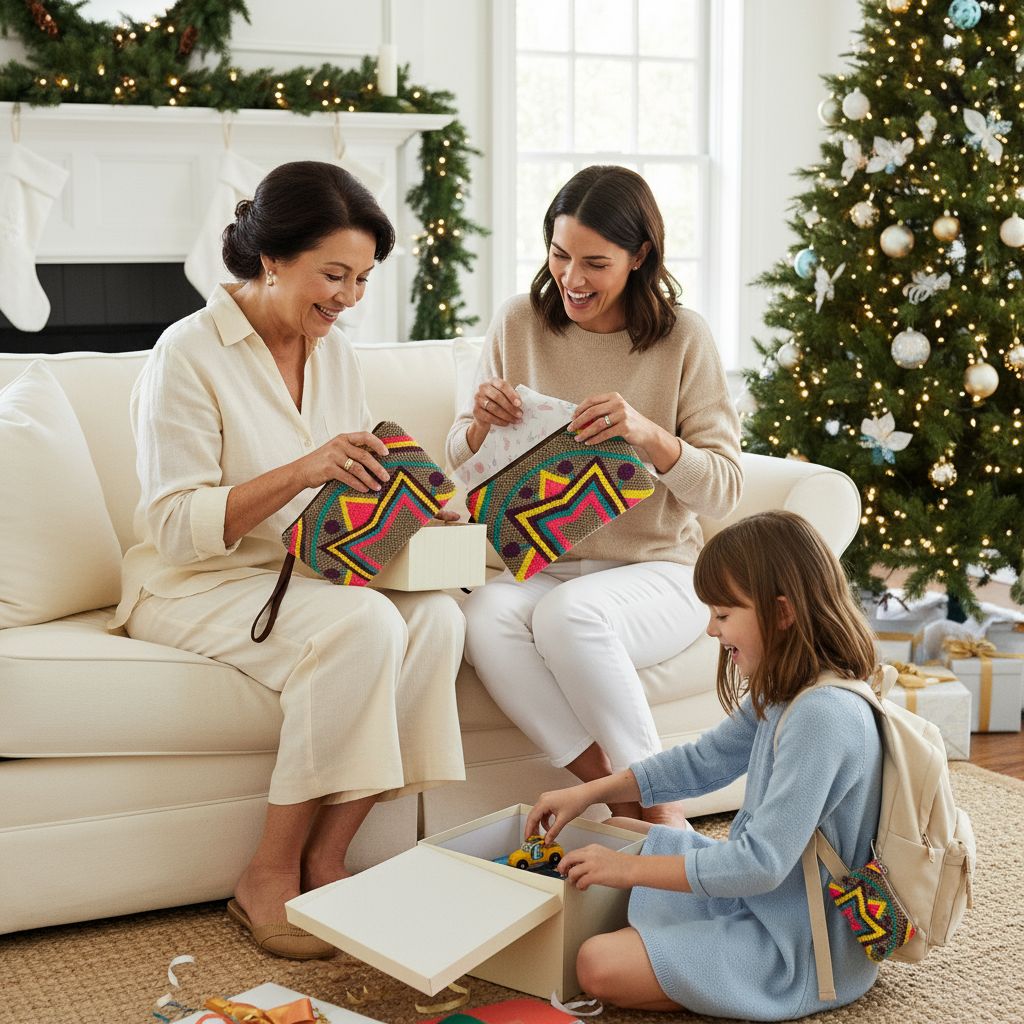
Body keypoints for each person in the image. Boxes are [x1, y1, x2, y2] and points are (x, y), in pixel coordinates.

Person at [110, 161, 466, 960]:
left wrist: (416, 497)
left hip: (307, 573)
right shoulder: (187, 354)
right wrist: (303, 471)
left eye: (363, 279)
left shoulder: (333, 352)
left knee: (440, 618)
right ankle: (266, 873)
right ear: (273, 259)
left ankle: (328, 853)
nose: (348, 298)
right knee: (364, 628)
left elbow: (347, 483)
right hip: (193, 582)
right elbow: (171, 524)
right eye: (333, 275)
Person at [445, 165, 742, 825]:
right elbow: (460, 469)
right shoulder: (520, 321)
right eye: (558, 256)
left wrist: (647, 434)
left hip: (659, 573)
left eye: (595, 263)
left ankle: (658, 815)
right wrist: (476, 427)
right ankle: (625, 796)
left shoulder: (683, 337)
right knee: (484, 617)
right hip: (541, 564)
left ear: (639, 258)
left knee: (567, 617)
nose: (571, 280)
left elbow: (723, 489)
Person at [524, 511, 884, 1019]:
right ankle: (674, 941)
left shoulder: (823, 715)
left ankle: (684, 955)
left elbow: (759, 864)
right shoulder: (787, 691)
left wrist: (629, 870)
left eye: (722, 614)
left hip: (801, 944)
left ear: (780, 613)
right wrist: (588, 792)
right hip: (764, 899)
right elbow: (703, 762)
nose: (712, 630)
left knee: (596, 964)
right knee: (618, 829)